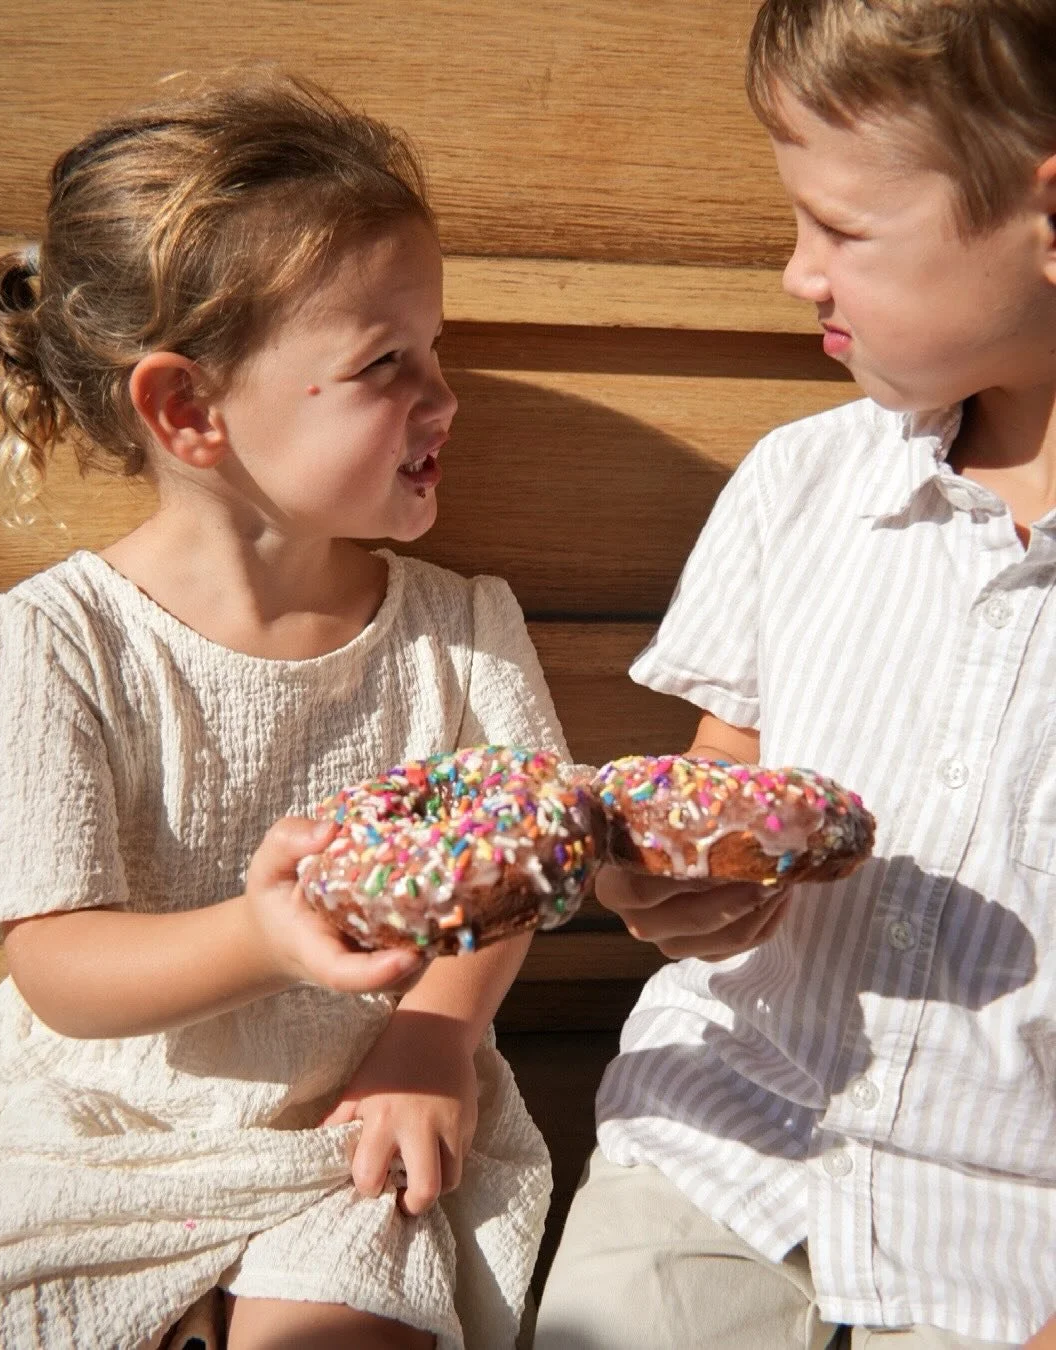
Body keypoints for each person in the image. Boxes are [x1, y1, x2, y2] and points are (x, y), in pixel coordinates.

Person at [0, 71, 564, 1350]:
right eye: (384, 363)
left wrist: (432, 1039)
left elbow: (523, 857)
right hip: (104, 1134)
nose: (445, 396)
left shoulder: (459, 631)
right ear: (189, 409)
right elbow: (56, 967)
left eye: (438, 347)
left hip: (364, 1114)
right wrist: (263, 935)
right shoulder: (50, 644)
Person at [534, 1, 1056, 1346]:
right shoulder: (801, 484)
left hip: (1011, 1250)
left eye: (843, 228)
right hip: (722, 1139)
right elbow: (727, 781)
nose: (795, 271)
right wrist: (667, 883)